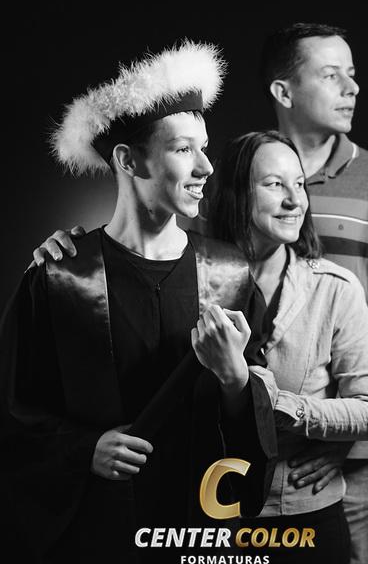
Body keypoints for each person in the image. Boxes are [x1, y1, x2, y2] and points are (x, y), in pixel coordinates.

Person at [0, 42, 277, 564]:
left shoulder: (230, 274)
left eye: (205, 147)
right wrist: (84, 449)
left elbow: (258, 419)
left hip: (196, 532)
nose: (206, 167)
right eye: (183, 149)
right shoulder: (62, 277)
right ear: (128, 159)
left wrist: (235, 377)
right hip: (97, 536)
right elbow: (12, 414)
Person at [259, 23, 368, 563]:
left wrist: (343, 427)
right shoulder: (241, 175)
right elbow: (177, 263)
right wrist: (80, 245)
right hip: (257, 442)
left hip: (356, 454)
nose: (352, 88)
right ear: (284, 91)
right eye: (332, 75)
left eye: (351, 75)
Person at [206, 130, 368, 563]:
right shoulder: (192, 280)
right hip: (214, 515)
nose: (295, 200)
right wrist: (70, 251)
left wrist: (279, 407)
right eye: (275, 184)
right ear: (236, 193)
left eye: (300, 184)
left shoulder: (336, 290)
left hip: (305, 520)